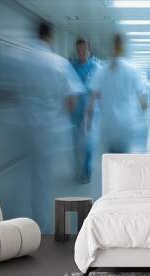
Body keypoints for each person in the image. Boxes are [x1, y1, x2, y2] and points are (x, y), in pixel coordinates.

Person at [19, 22, 85, 233]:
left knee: (25, 172)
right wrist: (59, 115)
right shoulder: (59, 63)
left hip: (23, 126)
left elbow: (3, 90)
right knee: (42, 175)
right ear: (50, 37)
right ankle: (40, 222)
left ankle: (18, 218)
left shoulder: (21, 58)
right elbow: (72, 99)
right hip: (48, 129)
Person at [87, 34, 147, 153]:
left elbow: (92, 101)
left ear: (111, 47)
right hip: (126, 123)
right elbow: (144, 104)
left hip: (108, 124)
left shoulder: (101, 70)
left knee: (111, 157)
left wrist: (89, 122)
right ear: (123, 47)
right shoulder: (133, 70)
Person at [69, 37, 100, 183]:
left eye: (84, 50)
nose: (81, 52)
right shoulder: (71, 67)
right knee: (76, 140)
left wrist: (93, 104)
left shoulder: (95, 67)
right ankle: (77, 168)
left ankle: (86, 170)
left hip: (90, 107)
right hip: (75, 109)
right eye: (79, 50)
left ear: (89, 50)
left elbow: (99, 90)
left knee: (88, 140)